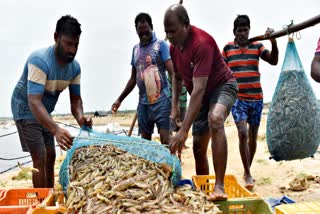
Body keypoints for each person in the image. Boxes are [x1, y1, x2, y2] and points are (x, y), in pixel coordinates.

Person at [164, 4, 238, 201]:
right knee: (198, 147)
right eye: (166, 32)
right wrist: (174, 108)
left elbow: (198, 90)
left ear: (186, 25)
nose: (169, 36)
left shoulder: (201, 44)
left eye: (173, 31)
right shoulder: (173, 48)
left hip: (223, 86)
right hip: (202, 96)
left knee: (215, 119)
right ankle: (205, 192)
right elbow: (178, 78)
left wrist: (183, 130)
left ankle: (219, 187)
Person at [11, 15, 92, 188]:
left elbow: (75, 100)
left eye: (76, 44)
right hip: (25, 106)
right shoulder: (39, 61)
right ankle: (41, 203)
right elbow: (33, 101)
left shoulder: (75, 68)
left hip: (43, 111)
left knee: (51, 155)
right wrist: (56, 129)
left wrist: (81, 118)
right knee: (39, 155)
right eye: (68, 43)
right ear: (56, 37)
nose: (72, 50)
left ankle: (49, 198)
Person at [222, 15, 278, 189]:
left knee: (253, 136)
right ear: (234, 32)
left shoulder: (257, 46)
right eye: (240, 30)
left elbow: (273, 61)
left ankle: (247, 170)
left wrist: (274, 42)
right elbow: (219, 70)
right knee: (242, 133)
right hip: (238, 99)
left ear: (249, 31)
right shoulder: (227, 49)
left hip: (256, 98)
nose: (243, 33)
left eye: (246, 30)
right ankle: (248, 173)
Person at [112, 13, 174, 145]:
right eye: (140, 33)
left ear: (151, 27)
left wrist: (174, 101)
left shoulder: (161, 45)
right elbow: (133, 79)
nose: (144, 35)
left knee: (166, 142)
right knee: (145, 145)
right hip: (143, 105)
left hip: (162, 102)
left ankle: (171, 164)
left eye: (146, 31)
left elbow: (172, 73)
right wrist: (119, 99)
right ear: (136, 31)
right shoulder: (135, 50)